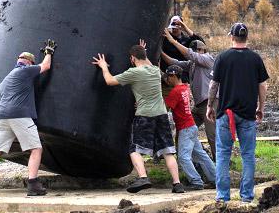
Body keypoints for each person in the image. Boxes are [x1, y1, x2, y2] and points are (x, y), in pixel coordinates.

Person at [92, 41, 185, 194]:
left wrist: (103, 66)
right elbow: (146, 61)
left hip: (145, 115)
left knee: (134, 148)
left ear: (132, 59)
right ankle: (177, 184)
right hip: (161, 114)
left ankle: (143, 177)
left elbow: (109, 81)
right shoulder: (155, 70)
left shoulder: (133, 73)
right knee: (167, 151)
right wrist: (143, 51)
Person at [0, 40, 57, 197]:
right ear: (29, 62)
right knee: (36, 149)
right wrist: (49, 52)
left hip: (2, 117)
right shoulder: (26, 71)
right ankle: (33, 185)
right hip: (20, 115)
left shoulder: (6, 80)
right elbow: (45, 66)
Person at [206, 23, 268, 203]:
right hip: (248, 115)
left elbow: (213, 85)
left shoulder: (223, 58)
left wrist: (210, 105)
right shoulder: (255, 58)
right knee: (248, 155)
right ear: (246, 37)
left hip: (226, 113)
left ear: (231, 37)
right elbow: (262, 85)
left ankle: (223, 197)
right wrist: (261, 107)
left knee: (223, 154)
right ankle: (247, 196)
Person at [160, 30, 217, 160]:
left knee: (212, 135)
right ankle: (183, 158)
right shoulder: (192, 64)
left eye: (195, 50)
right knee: (183, 129)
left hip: (210, 103)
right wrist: (161, 53)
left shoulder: (208, 59)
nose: (192, 53)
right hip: (199, 105)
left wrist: (173, 41)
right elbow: (175, 63)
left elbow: (190, 54)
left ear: (202, 50)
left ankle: (219, 163)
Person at [163, 65, 215, 191]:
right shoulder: (185, 87)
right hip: (191, 126)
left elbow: (165, 108)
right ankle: (216, 178)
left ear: (174, 76)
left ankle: (196, 181)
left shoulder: (175, 91)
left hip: (185, 128)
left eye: (168, 77)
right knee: (201, 155)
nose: (167, 80)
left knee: (183, 157)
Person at [160, 16, 204, 80]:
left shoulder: (187, 39)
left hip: (184, 75)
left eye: (178, 24)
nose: (175, 27)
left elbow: (201, 44)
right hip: (170, 75)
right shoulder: (165, 38)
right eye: (173, 24)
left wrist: (185, 28)